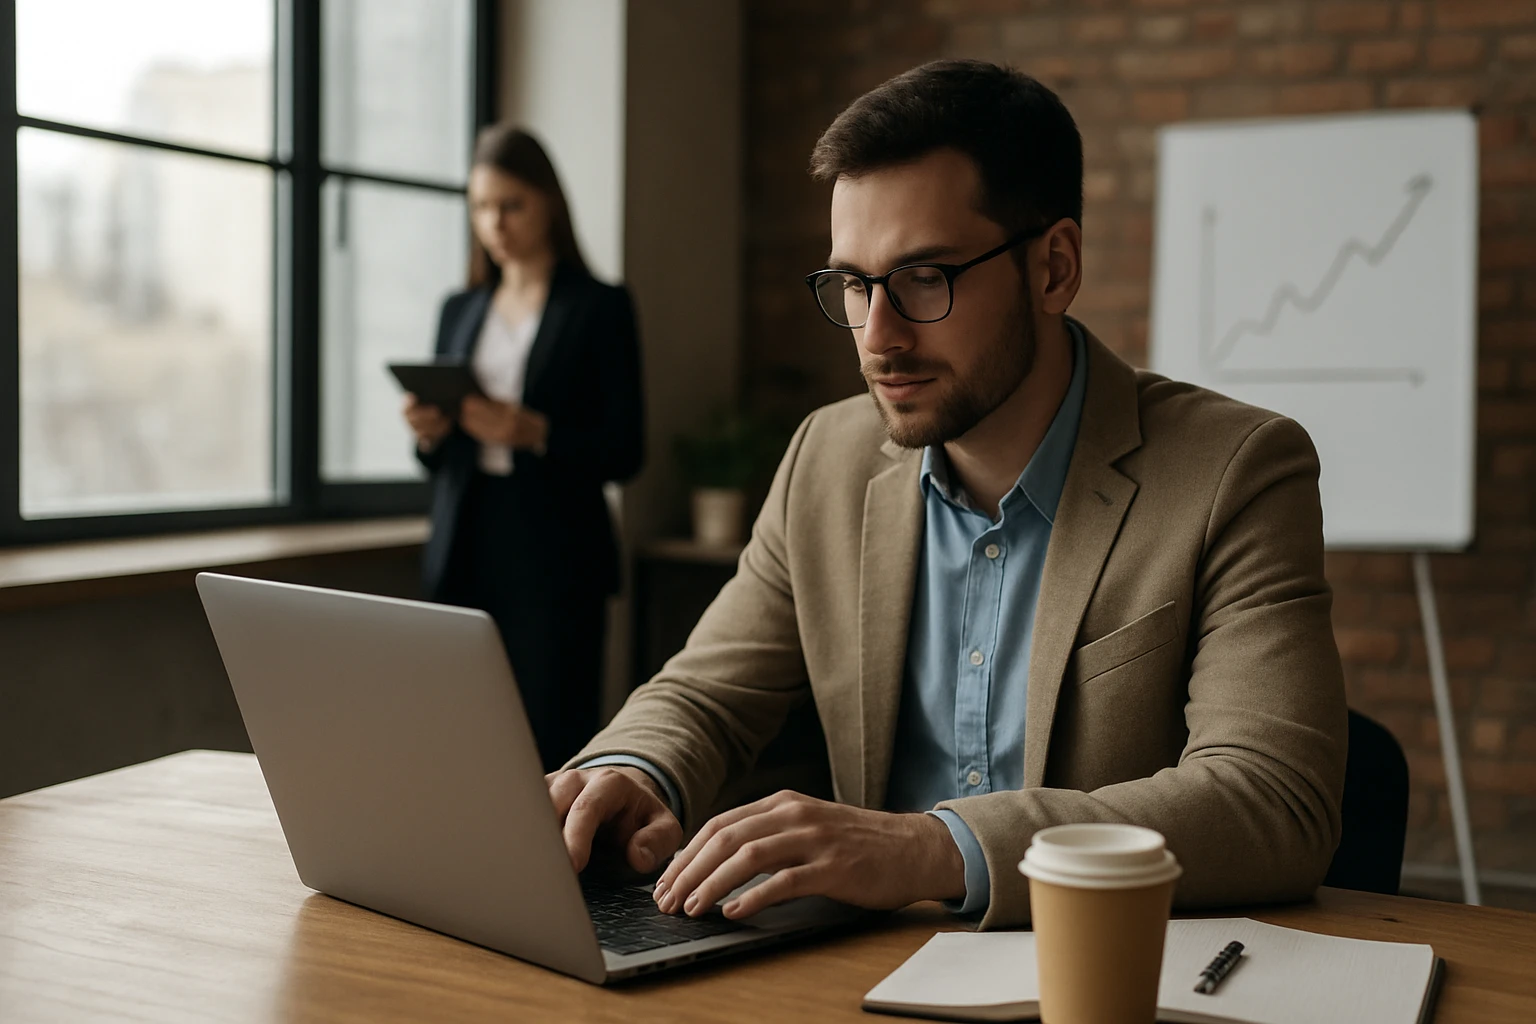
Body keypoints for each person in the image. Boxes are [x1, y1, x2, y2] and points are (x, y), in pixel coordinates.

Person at [547, 60, 1347, 929]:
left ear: (1054, 268)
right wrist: (632, 770)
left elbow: (1272, 801)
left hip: (1103, 973)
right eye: (854, 284)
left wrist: (925, 849)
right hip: (864, 973)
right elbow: (706, 693)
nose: (876, 338)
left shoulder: (1236, 470)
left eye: (925, 278)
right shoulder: (828, 456)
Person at [405, 124, 643, 773]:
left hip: (555, 552)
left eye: (511, 205)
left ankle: (556, 871)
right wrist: (429, 434)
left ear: (548, 204)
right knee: (459, 731)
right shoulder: (459, 308)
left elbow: (626, 449)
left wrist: (534, 432)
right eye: (481, 207)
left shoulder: (599, 306)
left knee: (551, 734)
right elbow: (438, 459)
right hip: (466, 539)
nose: (495, 223)